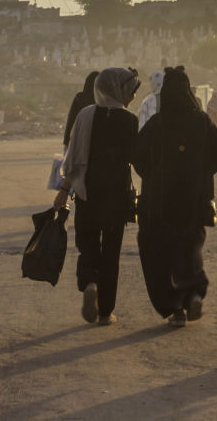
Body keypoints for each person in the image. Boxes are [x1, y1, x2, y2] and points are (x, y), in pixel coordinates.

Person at [133, 67, 217, 326]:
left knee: (158, 253)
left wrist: (152, 176)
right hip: (194, 199)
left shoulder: (157, 123)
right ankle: (194, 294)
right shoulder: (201, 120)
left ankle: (175, 309)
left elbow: (138, 155)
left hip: (159, 201)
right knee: (189, 248)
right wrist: (203, 172)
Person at [55, 67, 141, 326]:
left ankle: (90, 282)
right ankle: (105, 312)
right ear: (120, 90)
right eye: (131, 92)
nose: (134, 97)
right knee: (111, 252)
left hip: (86, 194)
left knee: (88, 244)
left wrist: (62, 191)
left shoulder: (85, 114)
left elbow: (73, 159)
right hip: (117, 196)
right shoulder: (130, 121)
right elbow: (137, 161)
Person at [64, 71, 98, 149]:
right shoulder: (102, 100)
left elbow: (71, 120)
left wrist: (66, 141)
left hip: (79, 138)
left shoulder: (80, 98)